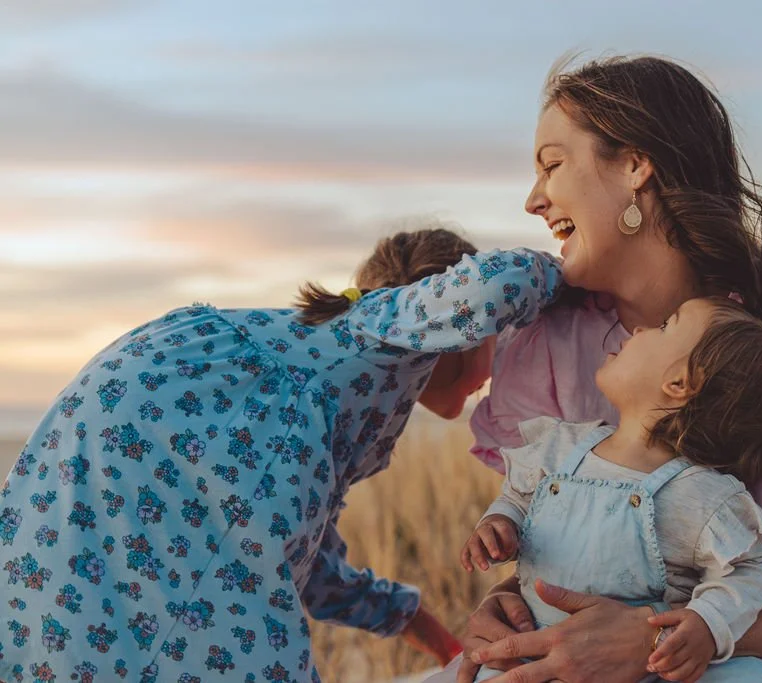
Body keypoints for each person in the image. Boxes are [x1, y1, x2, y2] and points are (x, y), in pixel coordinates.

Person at [455, 56, 762, 683]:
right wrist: (506, 609)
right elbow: (559, 547)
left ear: (634, 165)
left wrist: (655, 641)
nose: (533, 200)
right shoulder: (546, 339)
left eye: (552, 164)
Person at [0, 226, 562, 683]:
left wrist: (438, 639)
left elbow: (305, 562)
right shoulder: (378, 329)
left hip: (87, 481)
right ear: (453, 328)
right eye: (497, 338)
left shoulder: (317, 393)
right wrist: (586, 265)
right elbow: (503, 280)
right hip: (140, 451)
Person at [438, 296, 762, 683]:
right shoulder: (561, 448)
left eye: (666, 326)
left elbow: (749, 566)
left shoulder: (699, 494)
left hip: (640, 669)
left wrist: (706, 623)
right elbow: (518, 497)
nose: (639, 329)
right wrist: (500, 521)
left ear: (679, 383)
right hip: (536, 654)